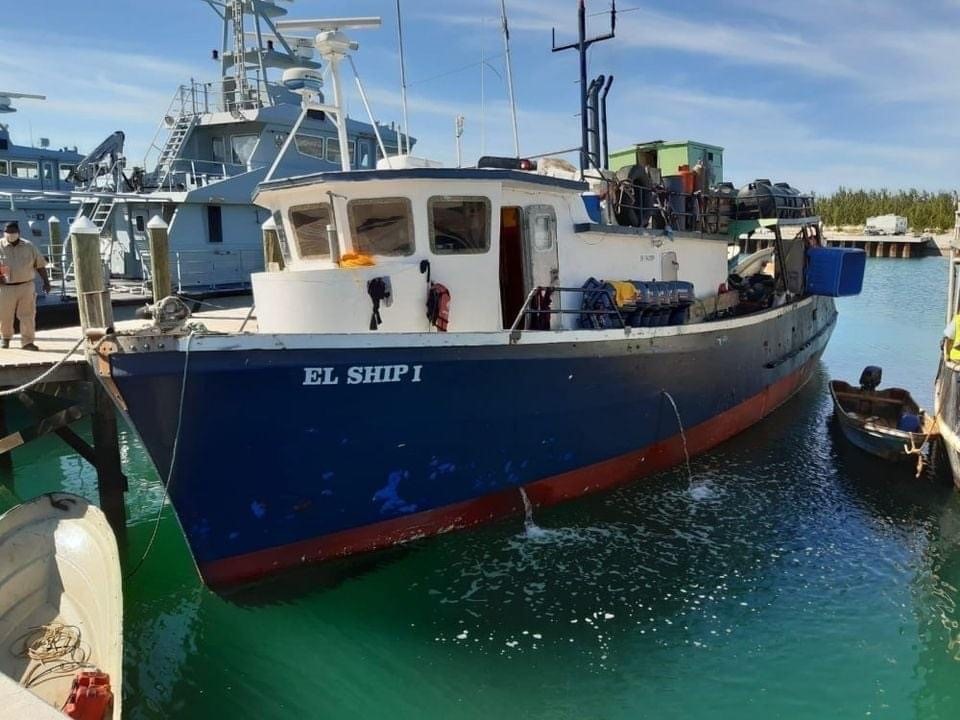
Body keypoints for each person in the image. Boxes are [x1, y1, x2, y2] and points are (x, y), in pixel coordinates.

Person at [0, 221, 50, 351]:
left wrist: (46, 282)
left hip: (26, 286)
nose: (10, 234)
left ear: (18, 232)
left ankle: (28, 342)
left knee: (28, 315)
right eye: (7, 232)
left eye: (12, 232)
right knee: (4, 315)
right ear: (4, 233)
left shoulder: (29, 246)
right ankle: (5, 338)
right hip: (5, 288)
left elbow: (39, 264)